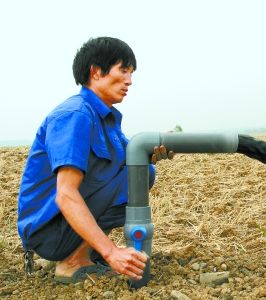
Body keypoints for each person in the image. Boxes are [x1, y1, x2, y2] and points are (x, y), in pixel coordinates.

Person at [17, 37, 174, 284]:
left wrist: (158, 148)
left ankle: (85, 252)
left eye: (131, 73)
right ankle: (72, 262)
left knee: (142, 171)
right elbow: (65, 193)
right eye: (123, 70)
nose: (129, 81)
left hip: (62, 225)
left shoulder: (105, 118)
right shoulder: (74, 115)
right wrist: (112, 252)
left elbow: (132, 155)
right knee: (135, 175)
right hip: (48, 230)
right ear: (96, 72)